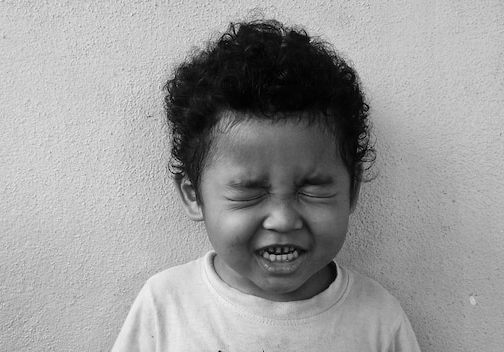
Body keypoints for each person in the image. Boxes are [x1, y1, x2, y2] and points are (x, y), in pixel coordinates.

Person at [112, 19, 421, 351]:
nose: (284, 219)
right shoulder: (166, 306)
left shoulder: (378, 321)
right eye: (250, 191)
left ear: (353, 190)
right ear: (193, 195)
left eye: (312, 187)